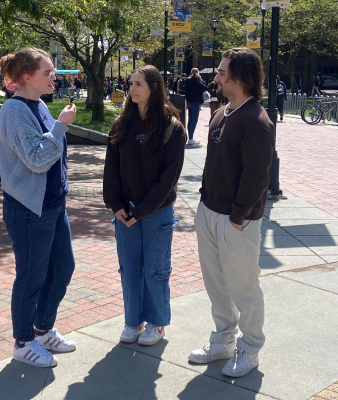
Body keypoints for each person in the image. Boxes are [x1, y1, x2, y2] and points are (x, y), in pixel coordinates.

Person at [191, 47, 274, 378]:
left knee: (244, 287)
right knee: (216, 284)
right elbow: (215, 164)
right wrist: (203, 201)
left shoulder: (257, 120)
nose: (217, 77)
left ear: (240, 78)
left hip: (237, 220)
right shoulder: (222, 112)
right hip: (210, 210)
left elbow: (258, 175)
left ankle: (250, 348)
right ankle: (223, 340)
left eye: (223, 72)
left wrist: (238, 216)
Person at [0, 47, 79, 368]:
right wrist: (61, 126)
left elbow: (50, 151)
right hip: (29, 210)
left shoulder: (39, 103)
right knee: (32, 277)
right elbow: (37, 158)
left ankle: (42, 330)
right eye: (47, 72)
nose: (53, 77)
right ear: (27, 77)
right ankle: (22, 342)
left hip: (53, 206)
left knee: (63, 269)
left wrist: (58, 126)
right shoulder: (14, 111)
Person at [104, 65, 186, 347]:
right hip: (125, 211)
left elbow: (168, 179)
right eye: (131, 83)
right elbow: (110, 170)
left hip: (156, 211)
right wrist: (115, 204)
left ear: (154, 87)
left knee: (156, 269)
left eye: (139, 84)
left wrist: (142, 210)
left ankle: (157, 323)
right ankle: (132, 320)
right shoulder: (121, 124)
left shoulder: (171, 128)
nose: (132, 88)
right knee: (129, 270)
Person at [180, 68, 207, 146]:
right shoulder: (197, 82)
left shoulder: (187, 81)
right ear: (197, 73)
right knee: (194, 120)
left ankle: (190, 137)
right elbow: (204, 87)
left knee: (190, 120)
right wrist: (200, 79)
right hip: (196, 102)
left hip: (189, 101)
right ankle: (191, 138)